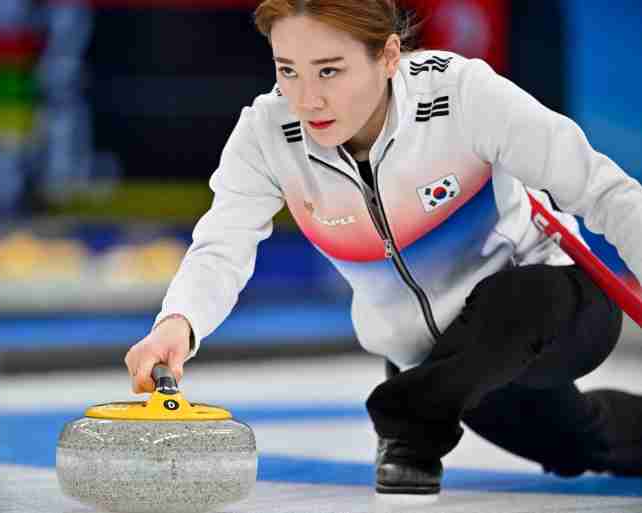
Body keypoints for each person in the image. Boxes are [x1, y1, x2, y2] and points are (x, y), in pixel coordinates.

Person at [125, 0, 642, 501]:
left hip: (557, 306)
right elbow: (223, 244)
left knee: (515, 298)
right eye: (288, 70)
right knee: (577, 442)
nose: (307, 100)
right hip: (441, 363)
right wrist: (178, 322)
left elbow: (606, 193)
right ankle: (423, 396)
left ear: (389, 55)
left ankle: (409, 428)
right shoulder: (265, 136)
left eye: (330, 71)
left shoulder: (463, 95)